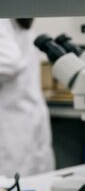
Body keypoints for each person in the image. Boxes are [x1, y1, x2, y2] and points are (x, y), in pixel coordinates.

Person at [0, 18, 55, 177]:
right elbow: (10, 64)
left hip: (26, 121)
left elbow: (11, 65)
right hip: (15, 124)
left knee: (34, 184)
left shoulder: (21, 29)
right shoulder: (5, 22)